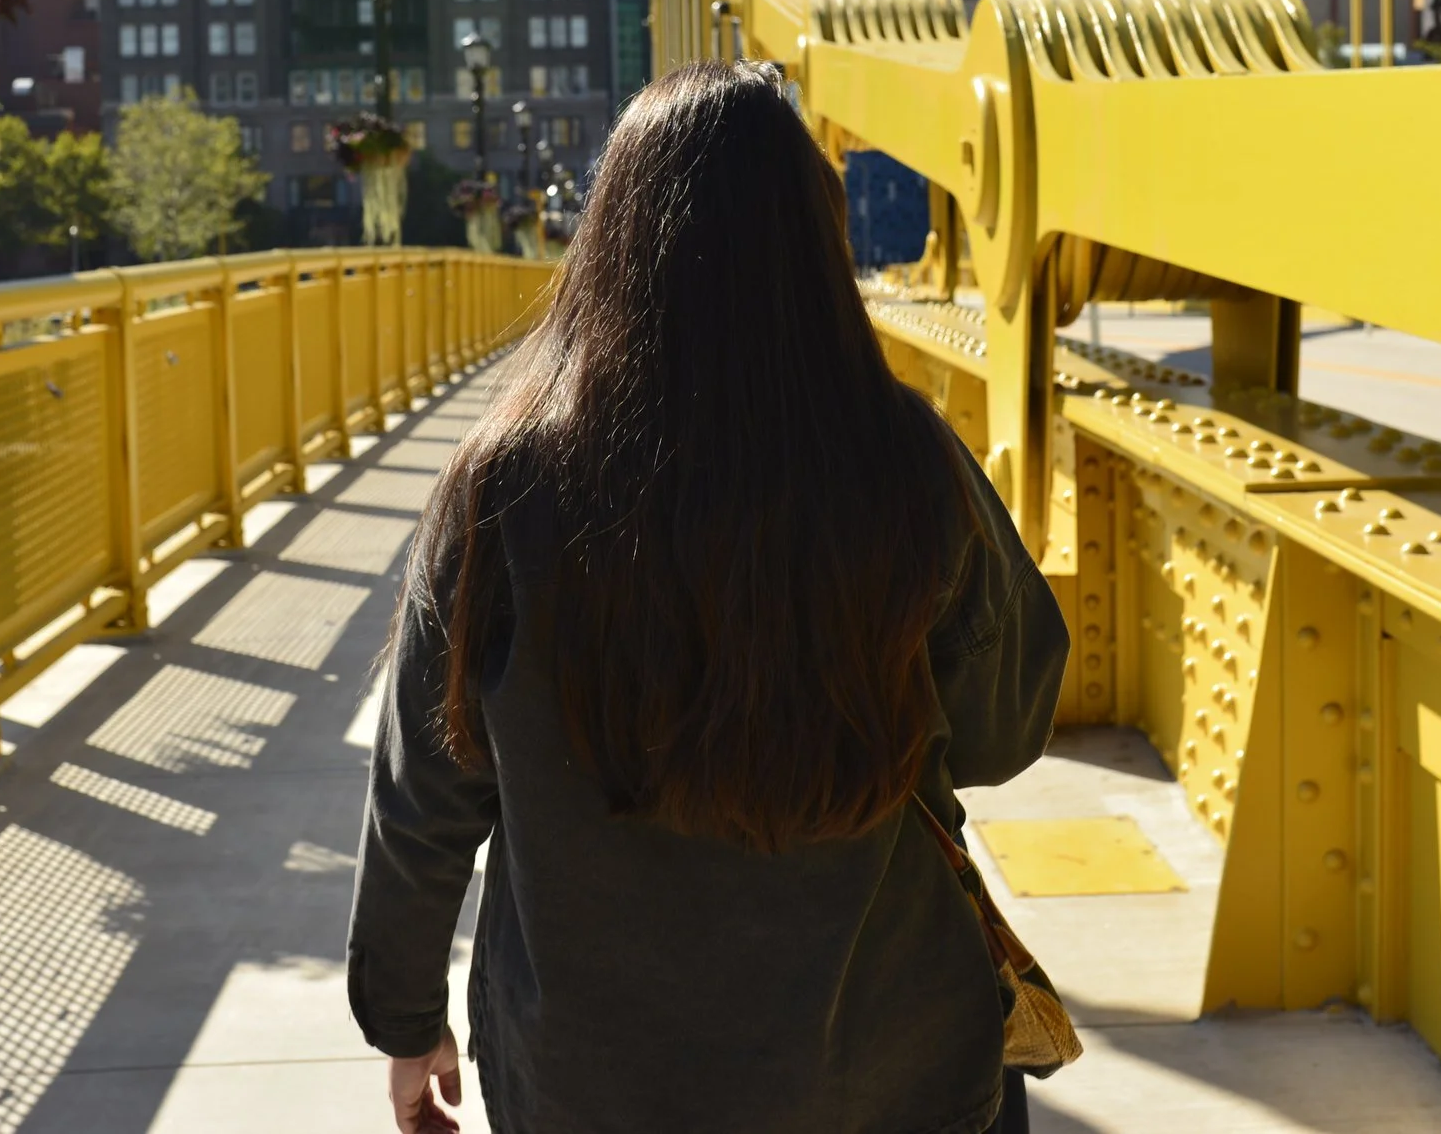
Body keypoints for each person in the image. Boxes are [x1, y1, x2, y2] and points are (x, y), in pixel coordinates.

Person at [348, 60, 1069, 1134]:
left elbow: (426, 789)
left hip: (591, 1079)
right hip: (889, 1068)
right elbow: (1003, 729)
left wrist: (405, 1019)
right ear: (816, 247)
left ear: (610, 240)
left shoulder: (503, 487)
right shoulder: (907, 461)